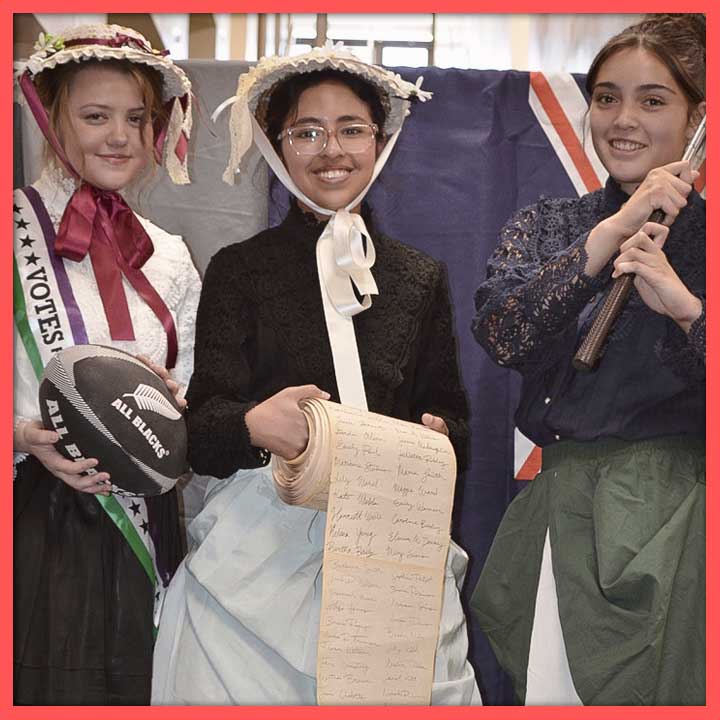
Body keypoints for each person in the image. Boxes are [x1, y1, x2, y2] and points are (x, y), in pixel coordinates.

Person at [152, 44, 481, 705]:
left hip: (389, 544)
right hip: (259, 555)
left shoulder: (418, 277)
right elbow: (204, 430)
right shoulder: (239, 270)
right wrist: (254, 424)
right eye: (307, 131)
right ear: (277, 145)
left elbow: (457, 427)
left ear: (380, 141)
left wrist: (435, 438)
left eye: (351, 129)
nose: (332, 150)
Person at [470, 14, 705, 706]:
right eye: (606, 97)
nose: (623, 119)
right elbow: (503, 335)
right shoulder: (550, 226)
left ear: (698, 116)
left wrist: (689, 309)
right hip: (560, 512)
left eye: (653, 100)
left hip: (677, 521)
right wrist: (607, 236)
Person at [13, 24, 201, 705]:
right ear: (48, 114)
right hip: (38, 521)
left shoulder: (169, 254)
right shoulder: (13, 232)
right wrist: (17, 436)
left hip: (147, 522)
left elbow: (193, 382)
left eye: (135, 118)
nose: (119, 137)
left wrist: (178, 404)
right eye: (95, 116)